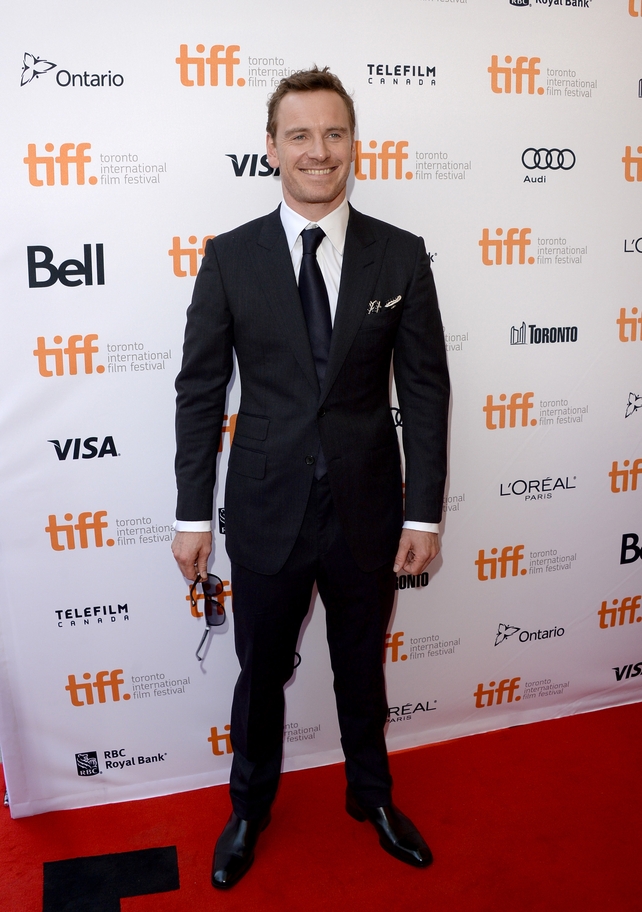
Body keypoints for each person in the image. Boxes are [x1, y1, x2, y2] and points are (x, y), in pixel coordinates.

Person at [172, 66, 450, 890]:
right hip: (266, 506)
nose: (317, 151)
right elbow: (199, 391)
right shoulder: (229, 257)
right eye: (299, 135)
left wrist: (424, 516)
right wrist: (191, 514)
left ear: (354, 144)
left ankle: (372, 796)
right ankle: (249, 808)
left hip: (367, 508)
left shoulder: (401, 255)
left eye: (333, 133)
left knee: (361, 665)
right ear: (271, 148)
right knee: (261, 673)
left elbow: (425, 390)